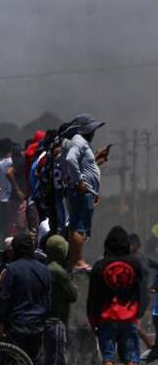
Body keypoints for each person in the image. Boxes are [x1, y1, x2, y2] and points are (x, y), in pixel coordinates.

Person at [87, 225, 144, 365]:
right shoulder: (135, 264)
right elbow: (142, 292)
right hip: (128, 318)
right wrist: (138, 313)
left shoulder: (100, 266)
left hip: (106, 318)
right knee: (131, 359)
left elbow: (93, 296)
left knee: (108, 358)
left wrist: (92, 319)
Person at [0, 233, 52, 365]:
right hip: (38, 323)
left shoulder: (12, 269)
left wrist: (1, 322)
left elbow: (5, 299)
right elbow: (49, 299)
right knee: (37, 361)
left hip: (17, 323)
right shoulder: (44, 269)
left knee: (17, 361)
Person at [63, 115, 109, 271]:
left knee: (76, 225)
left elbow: (83, 165)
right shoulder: (79, 141)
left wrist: (97, 159)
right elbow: (70, 159)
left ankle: (73, 260)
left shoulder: (79, 142)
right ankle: (78, 261)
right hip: (82, 191)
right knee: (79, 227)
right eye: (92, 129)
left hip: (84, 190)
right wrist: (81, 181)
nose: (94, 133)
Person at [42, 235, 77, 365]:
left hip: (43, 321)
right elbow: (73, 295)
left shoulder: (44, 268)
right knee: (56, 361)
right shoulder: (59, 271)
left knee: (46, 360)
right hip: (56, 321)